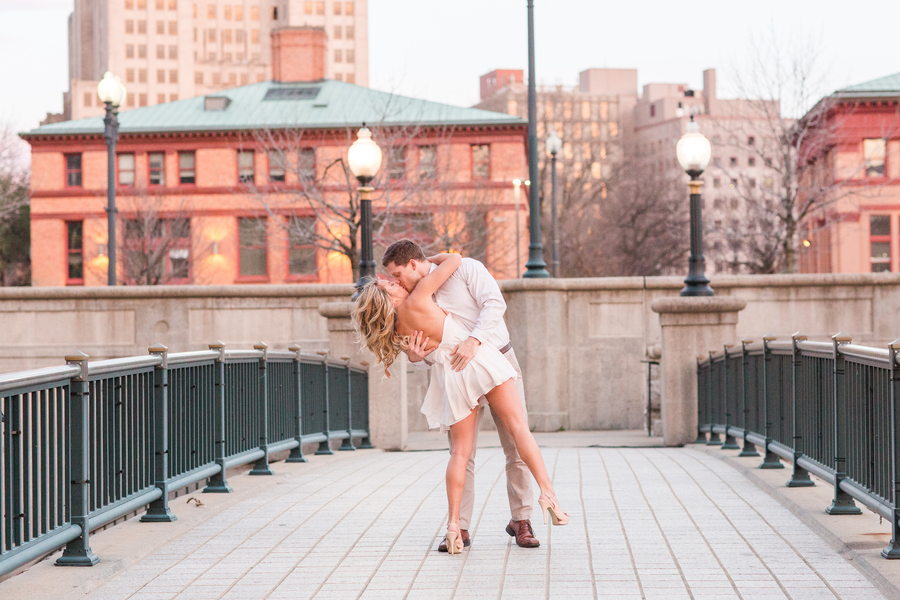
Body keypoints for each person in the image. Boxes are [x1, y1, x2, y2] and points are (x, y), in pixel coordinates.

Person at [353, 251, 567, 555]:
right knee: (519, 430)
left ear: (411, 263)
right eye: (390, 282)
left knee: (460, 453)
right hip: (480, 364)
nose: (394, 281)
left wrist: (424, 353)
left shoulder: (395, 326)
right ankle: (549, 494)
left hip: (455, 373)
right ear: (389, 296)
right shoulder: (420, 295)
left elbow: (492, 305)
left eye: (395, 275)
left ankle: (461, 524)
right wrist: (438, 257)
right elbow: (454, 258)